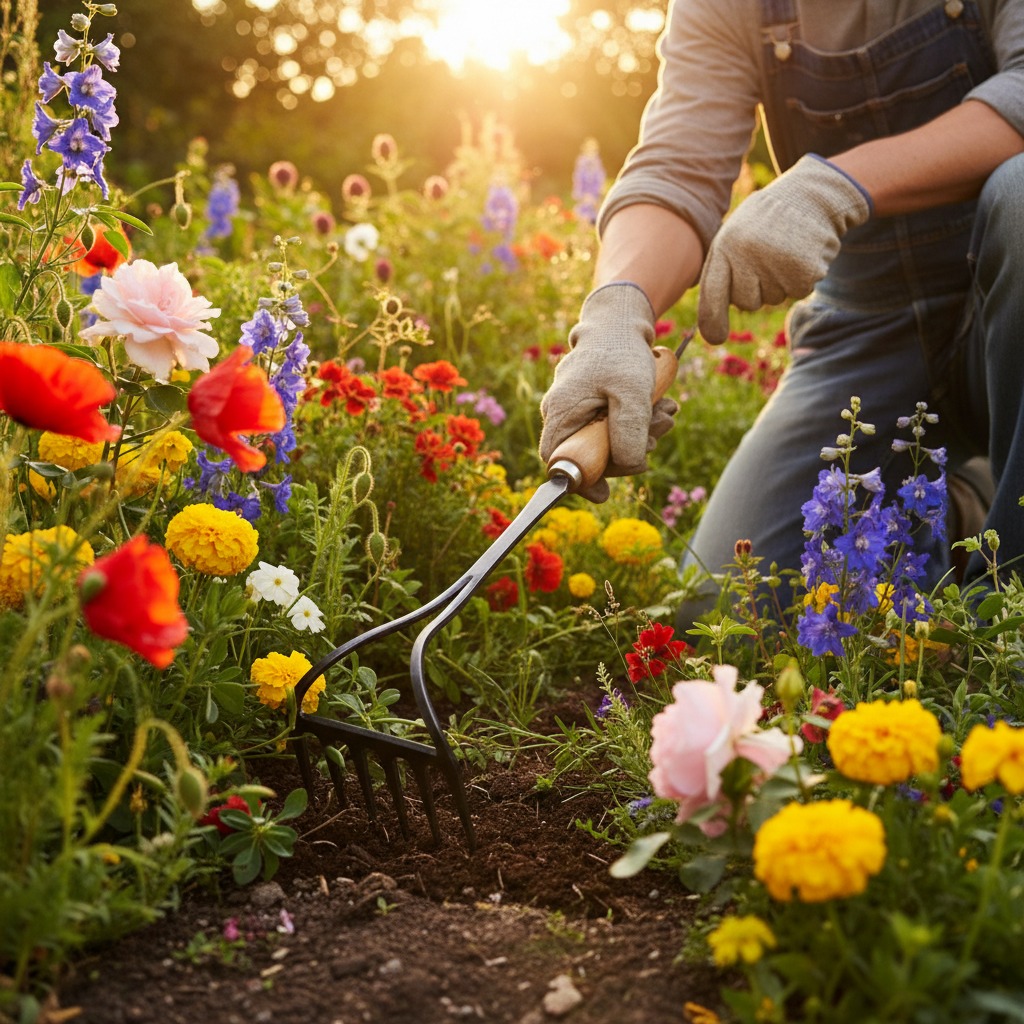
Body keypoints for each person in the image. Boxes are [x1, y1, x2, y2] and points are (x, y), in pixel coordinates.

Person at [539, 0, 1024, 611]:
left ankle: (1004, 613)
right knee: (727, 606)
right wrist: (616, 308)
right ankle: (953, 507)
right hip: (865, 327)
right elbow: (678, 169)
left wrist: (838, 183)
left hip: (1009, 294)